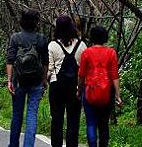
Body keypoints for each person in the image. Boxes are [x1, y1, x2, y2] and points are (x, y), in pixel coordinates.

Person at [6, 9, 49, 147]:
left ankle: (13, 145)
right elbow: (45, 62)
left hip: (18, 82)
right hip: (36, 82)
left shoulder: (15, 38)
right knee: (32, 115)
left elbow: (10, 60)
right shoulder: (41, 39)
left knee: (17, 115)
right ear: (36, 23)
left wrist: (9, 80)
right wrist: (44, 81)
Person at [78, 25, 122, 147]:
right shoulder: (111, 53)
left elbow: (81, 75)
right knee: (103, 124)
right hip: (107, 93)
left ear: (92, 37)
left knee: (91, 123)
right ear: (105, 37)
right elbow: (114, 75)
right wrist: (118, 95)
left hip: (89, 92)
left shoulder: (86, 53)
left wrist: (79, 89)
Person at [47, 16, 87, 147]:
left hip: (56, 86)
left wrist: (46, 81)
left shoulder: (53, 45)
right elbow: (84, 68)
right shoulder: (81, 45)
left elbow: (50, 69)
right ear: (72, 27)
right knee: (73, 120)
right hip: (75, 87)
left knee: (57, 120)